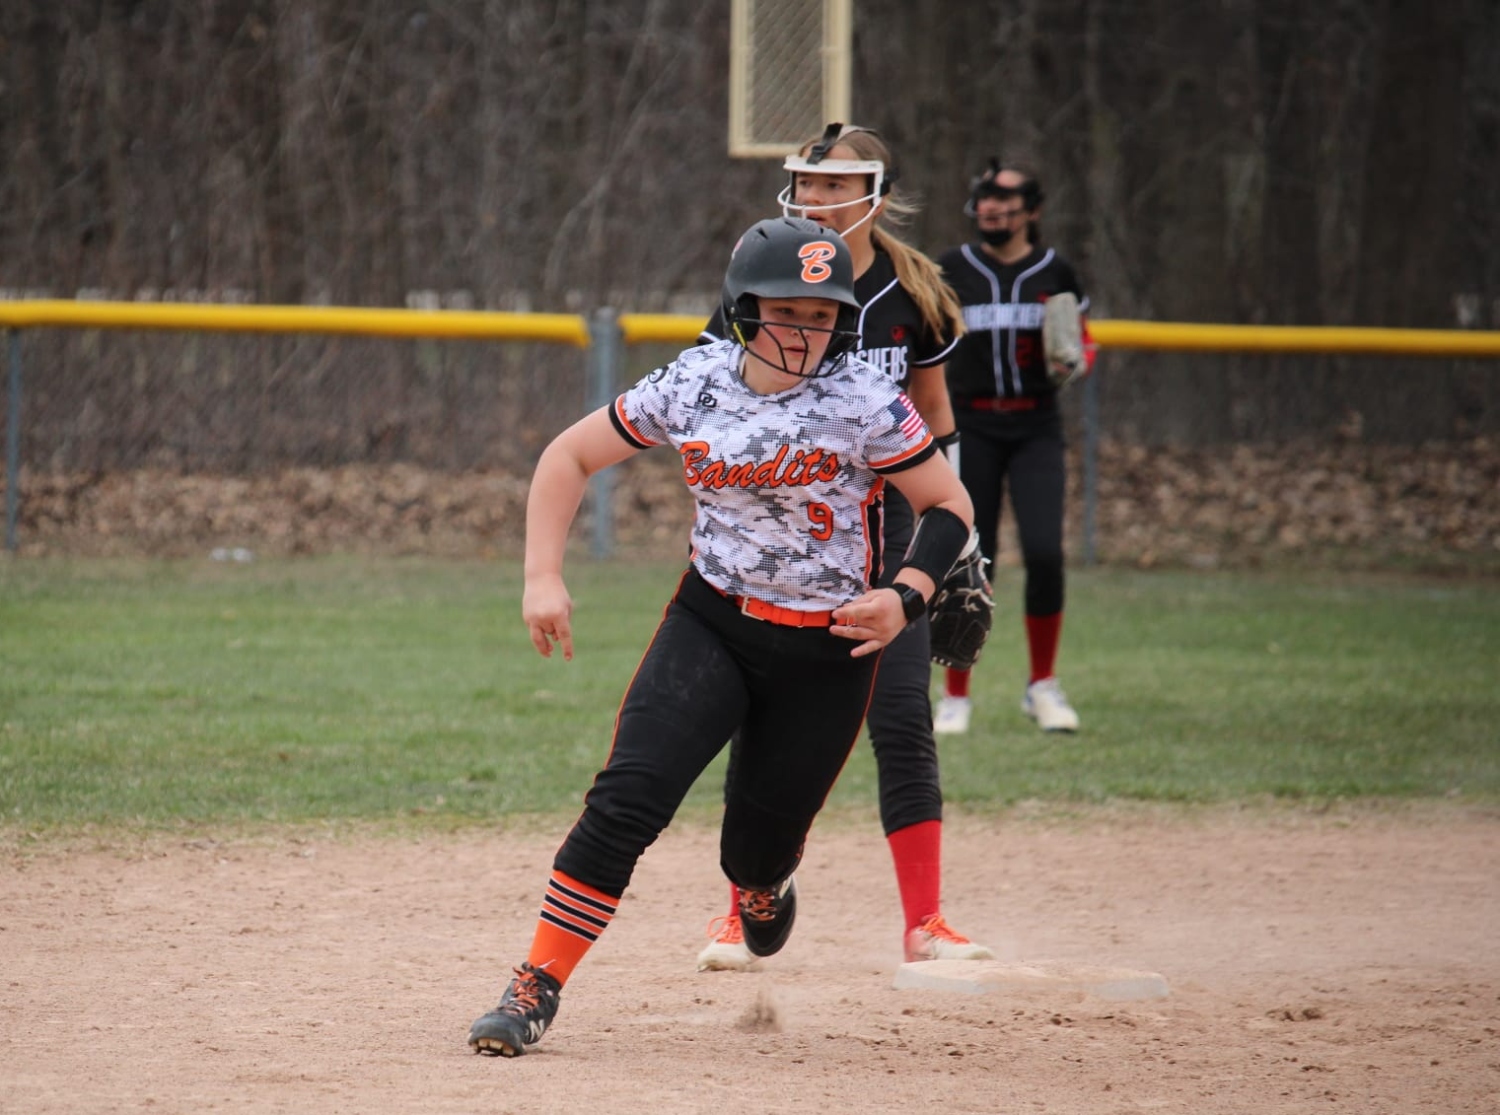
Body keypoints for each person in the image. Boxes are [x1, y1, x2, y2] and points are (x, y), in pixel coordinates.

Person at [467, 216, 974, 1057]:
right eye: (788, 311)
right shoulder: (695, 380)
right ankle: (534, 984)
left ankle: (764, 883)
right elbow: (568, 456)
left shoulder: (862, 398)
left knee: (756, 848)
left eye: (823, 315)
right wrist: (541, 575)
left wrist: (906, 595)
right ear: (743, 308)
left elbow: (948, 504)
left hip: (828, 648)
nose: (806, 330)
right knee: (628, 796)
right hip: (714, 621)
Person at [693, 123, 994, 972]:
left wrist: (958, 543)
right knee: (760, 715)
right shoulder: (762, 272)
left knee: (900, 716)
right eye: (808, 183)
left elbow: (936, 419)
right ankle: (743, 905)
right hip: (784, 529)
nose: (817, 198)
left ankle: (925, 921)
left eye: (834, 185)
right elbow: (717, 396)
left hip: (890, 529)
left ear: (875, 194)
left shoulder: (913, 289)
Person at [933, 161, 1096, 736]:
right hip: (971, 426)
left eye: (1005, 201)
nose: (992, 209)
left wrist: (1077, 358)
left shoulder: (1056, 270)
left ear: (1032, 210)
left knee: (1045, 554)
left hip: (1035, 426)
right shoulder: (951, 270)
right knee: (969, 557)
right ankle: (955, 693)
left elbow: (1081, 342)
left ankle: (1042, 685)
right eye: (985, 199)